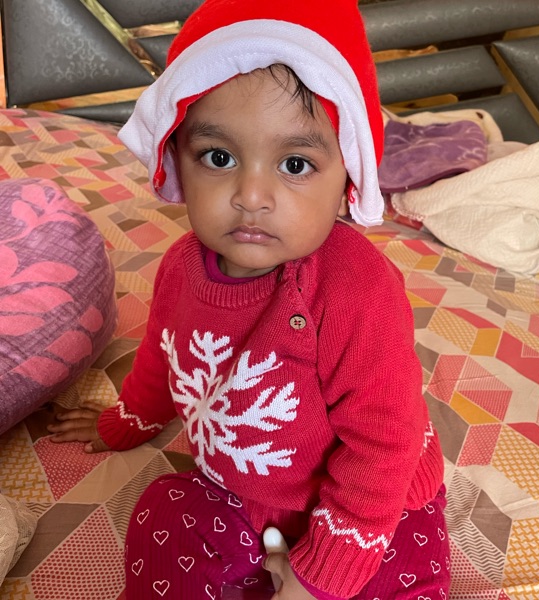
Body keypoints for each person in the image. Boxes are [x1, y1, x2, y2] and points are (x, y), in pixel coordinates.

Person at [48, 0, 450, 598]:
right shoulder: (180, 268)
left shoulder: (358, 288)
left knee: (400, 569)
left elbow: (385, 442)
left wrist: (322, 575)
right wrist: (128, 421)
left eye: (295, 164)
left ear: (347, 176)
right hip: (239, 496)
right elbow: (167, 361)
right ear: (176, 160)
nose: (251, 195)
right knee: (163, 512)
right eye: (219, 157)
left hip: (369, 506)